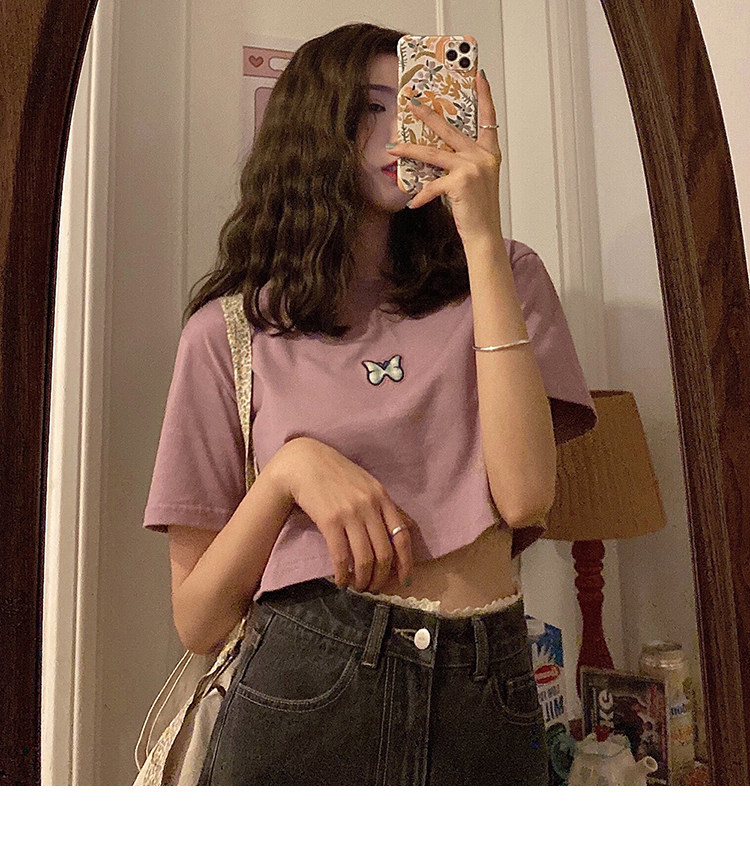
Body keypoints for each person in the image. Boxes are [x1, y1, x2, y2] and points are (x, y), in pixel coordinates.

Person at [143, 22, 597, 785]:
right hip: (306, 684)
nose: (400, 132)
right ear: (313, 130)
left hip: (484, 687)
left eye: (414, 104)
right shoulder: (228, 333)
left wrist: (482, 235)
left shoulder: (505, 277)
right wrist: (290, 473)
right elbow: (198, 620)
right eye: (368, 109)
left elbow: (525, 496)